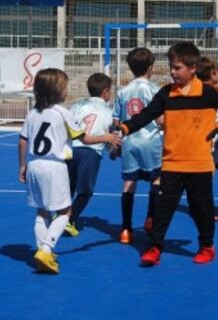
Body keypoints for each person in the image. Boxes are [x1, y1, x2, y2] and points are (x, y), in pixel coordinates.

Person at [119, 42, 218, 267]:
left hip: (200, 164)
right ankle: (155, 247)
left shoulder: (208, 92)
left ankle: (206, 246)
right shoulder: (165, 94)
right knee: (163, 208)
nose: (173, 72)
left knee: (201, 209)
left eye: (177, 68)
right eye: (171, 68)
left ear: (192, 68)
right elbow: (146, 115)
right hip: (172, 163)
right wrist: (125, 129)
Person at [18, 68, 118, 274]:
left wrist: (22, 165)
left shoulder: (32, 113)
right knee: (65, 211)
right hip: (54, 166)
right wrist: (107, 138)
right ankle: (47, 248)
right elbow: (85, 139)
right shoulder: (63, 113)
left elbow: (22, 141)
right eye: (64, 86)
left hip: (34, 164)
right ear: (56, 91)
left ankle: (41, 249)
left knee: (41, 211)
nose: (67, 90)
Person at [112, 47, 163, 244]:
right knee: (156, 180)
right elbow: (160, 120)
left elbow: (117, 122)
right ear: (151, 68)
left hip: (129, 141)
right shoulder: (154, 89)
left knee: (129, 183)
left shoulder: (122, 91)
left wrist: (116, 144)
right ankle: (150, 218)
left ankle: (125, 230)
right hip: (150, 141)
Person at [66, 73, 122, 236]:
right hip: (90, 152)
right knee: (85, 191)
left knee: (68, 187)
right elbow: (107, 135)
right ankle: (69, 219)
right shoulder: (108, 111)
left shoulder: (77, 105)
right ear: (105, 92)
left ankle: (60, 214)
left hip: (69, 150)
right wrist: (113, 150)